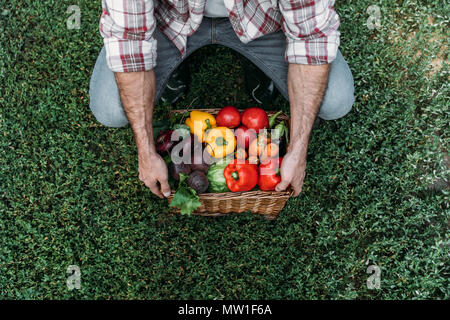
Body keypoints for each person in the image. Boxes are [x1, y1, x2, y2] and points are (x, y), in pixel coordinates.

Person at [89, 0, 354, 198]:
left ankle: (258, 63)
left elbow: (311, 38)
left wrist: (298, 150)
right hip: (170, 21)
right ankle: (172, 64)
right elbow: (129, 39)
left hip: (263, 23)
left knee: (335, 100)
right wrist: (146, 150)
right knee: (110, 108)